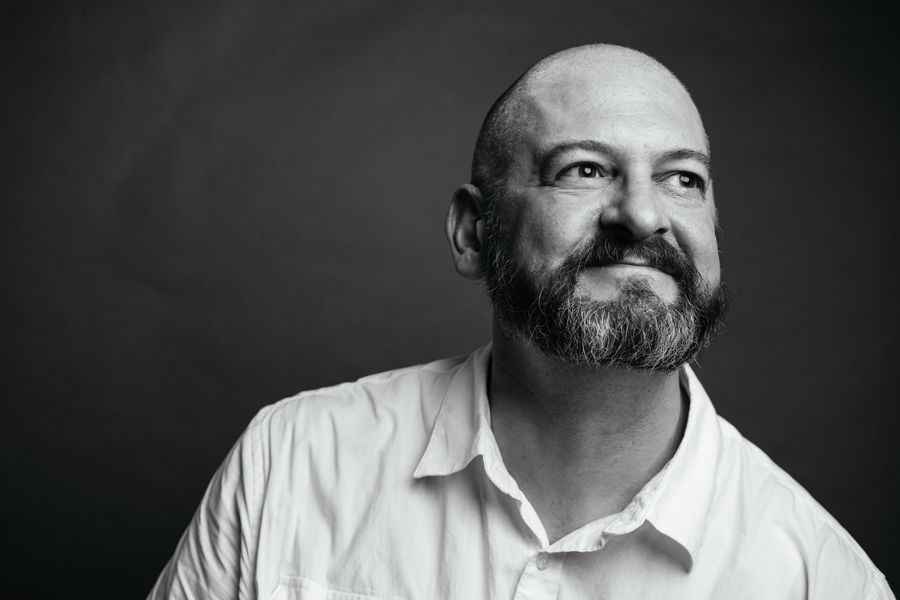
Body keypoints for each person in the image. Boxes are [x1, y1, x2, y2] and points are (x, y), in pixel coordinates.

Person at [149, 44, 893, 599]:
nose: (642, 213)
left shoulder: (818, 578)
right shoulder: (290, 465)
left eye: (682, 179)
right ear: (474, 233)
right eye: (585, 169)